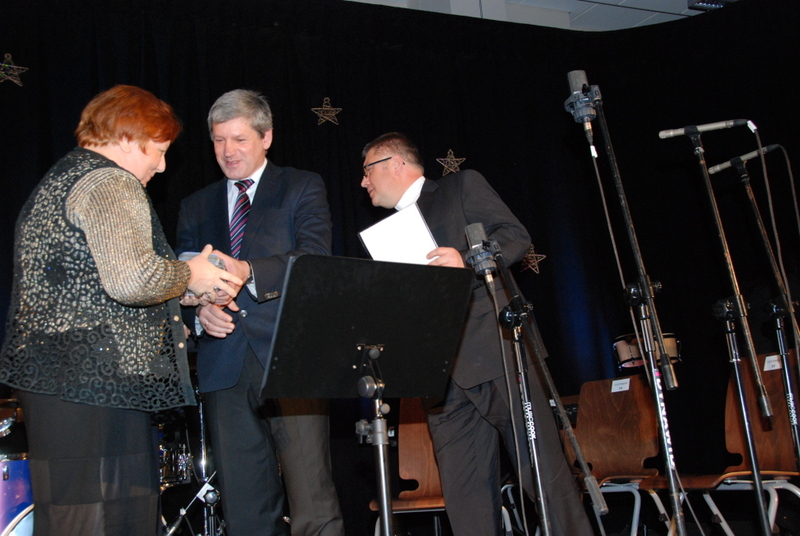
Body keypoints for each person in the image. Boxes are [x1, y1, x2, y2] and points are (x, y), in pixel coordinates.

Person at [0, 85, 243, 536]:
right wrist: (190, 274)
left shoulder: (64, 177)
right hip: (94, 385)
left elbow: (102, 282)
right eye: (160, 150)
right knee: (108, 522)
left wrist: (194, 290)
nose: (162, 166)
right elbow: (131, 281)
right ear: (130, 138)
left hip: (64, 382)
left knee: (73, 520)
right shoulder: (109, 181)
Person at [359, 132, 593, 536]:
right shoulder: (387, 235)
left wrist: (467, 260)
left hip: (496, 353)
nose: (364, 182)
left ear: (395, 163)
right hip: (440, 380)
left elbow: (515, 236)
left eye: (367, 171)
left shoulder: (459, 186)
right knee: (465, 500)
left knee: (543, 477)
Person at [176, 89, 343, 536]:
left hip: (291, 358)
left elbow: (315, 260)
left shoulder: (302, 185)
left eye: (239, 139)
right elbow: (180, 281)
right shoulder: (195, 204)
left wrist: (248, 270)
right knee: (246, 511)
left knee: (313, 503)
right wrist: (198, 315)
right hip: (223, 365)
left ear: (266, 137)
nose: (227, 151)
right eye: (218, 140)